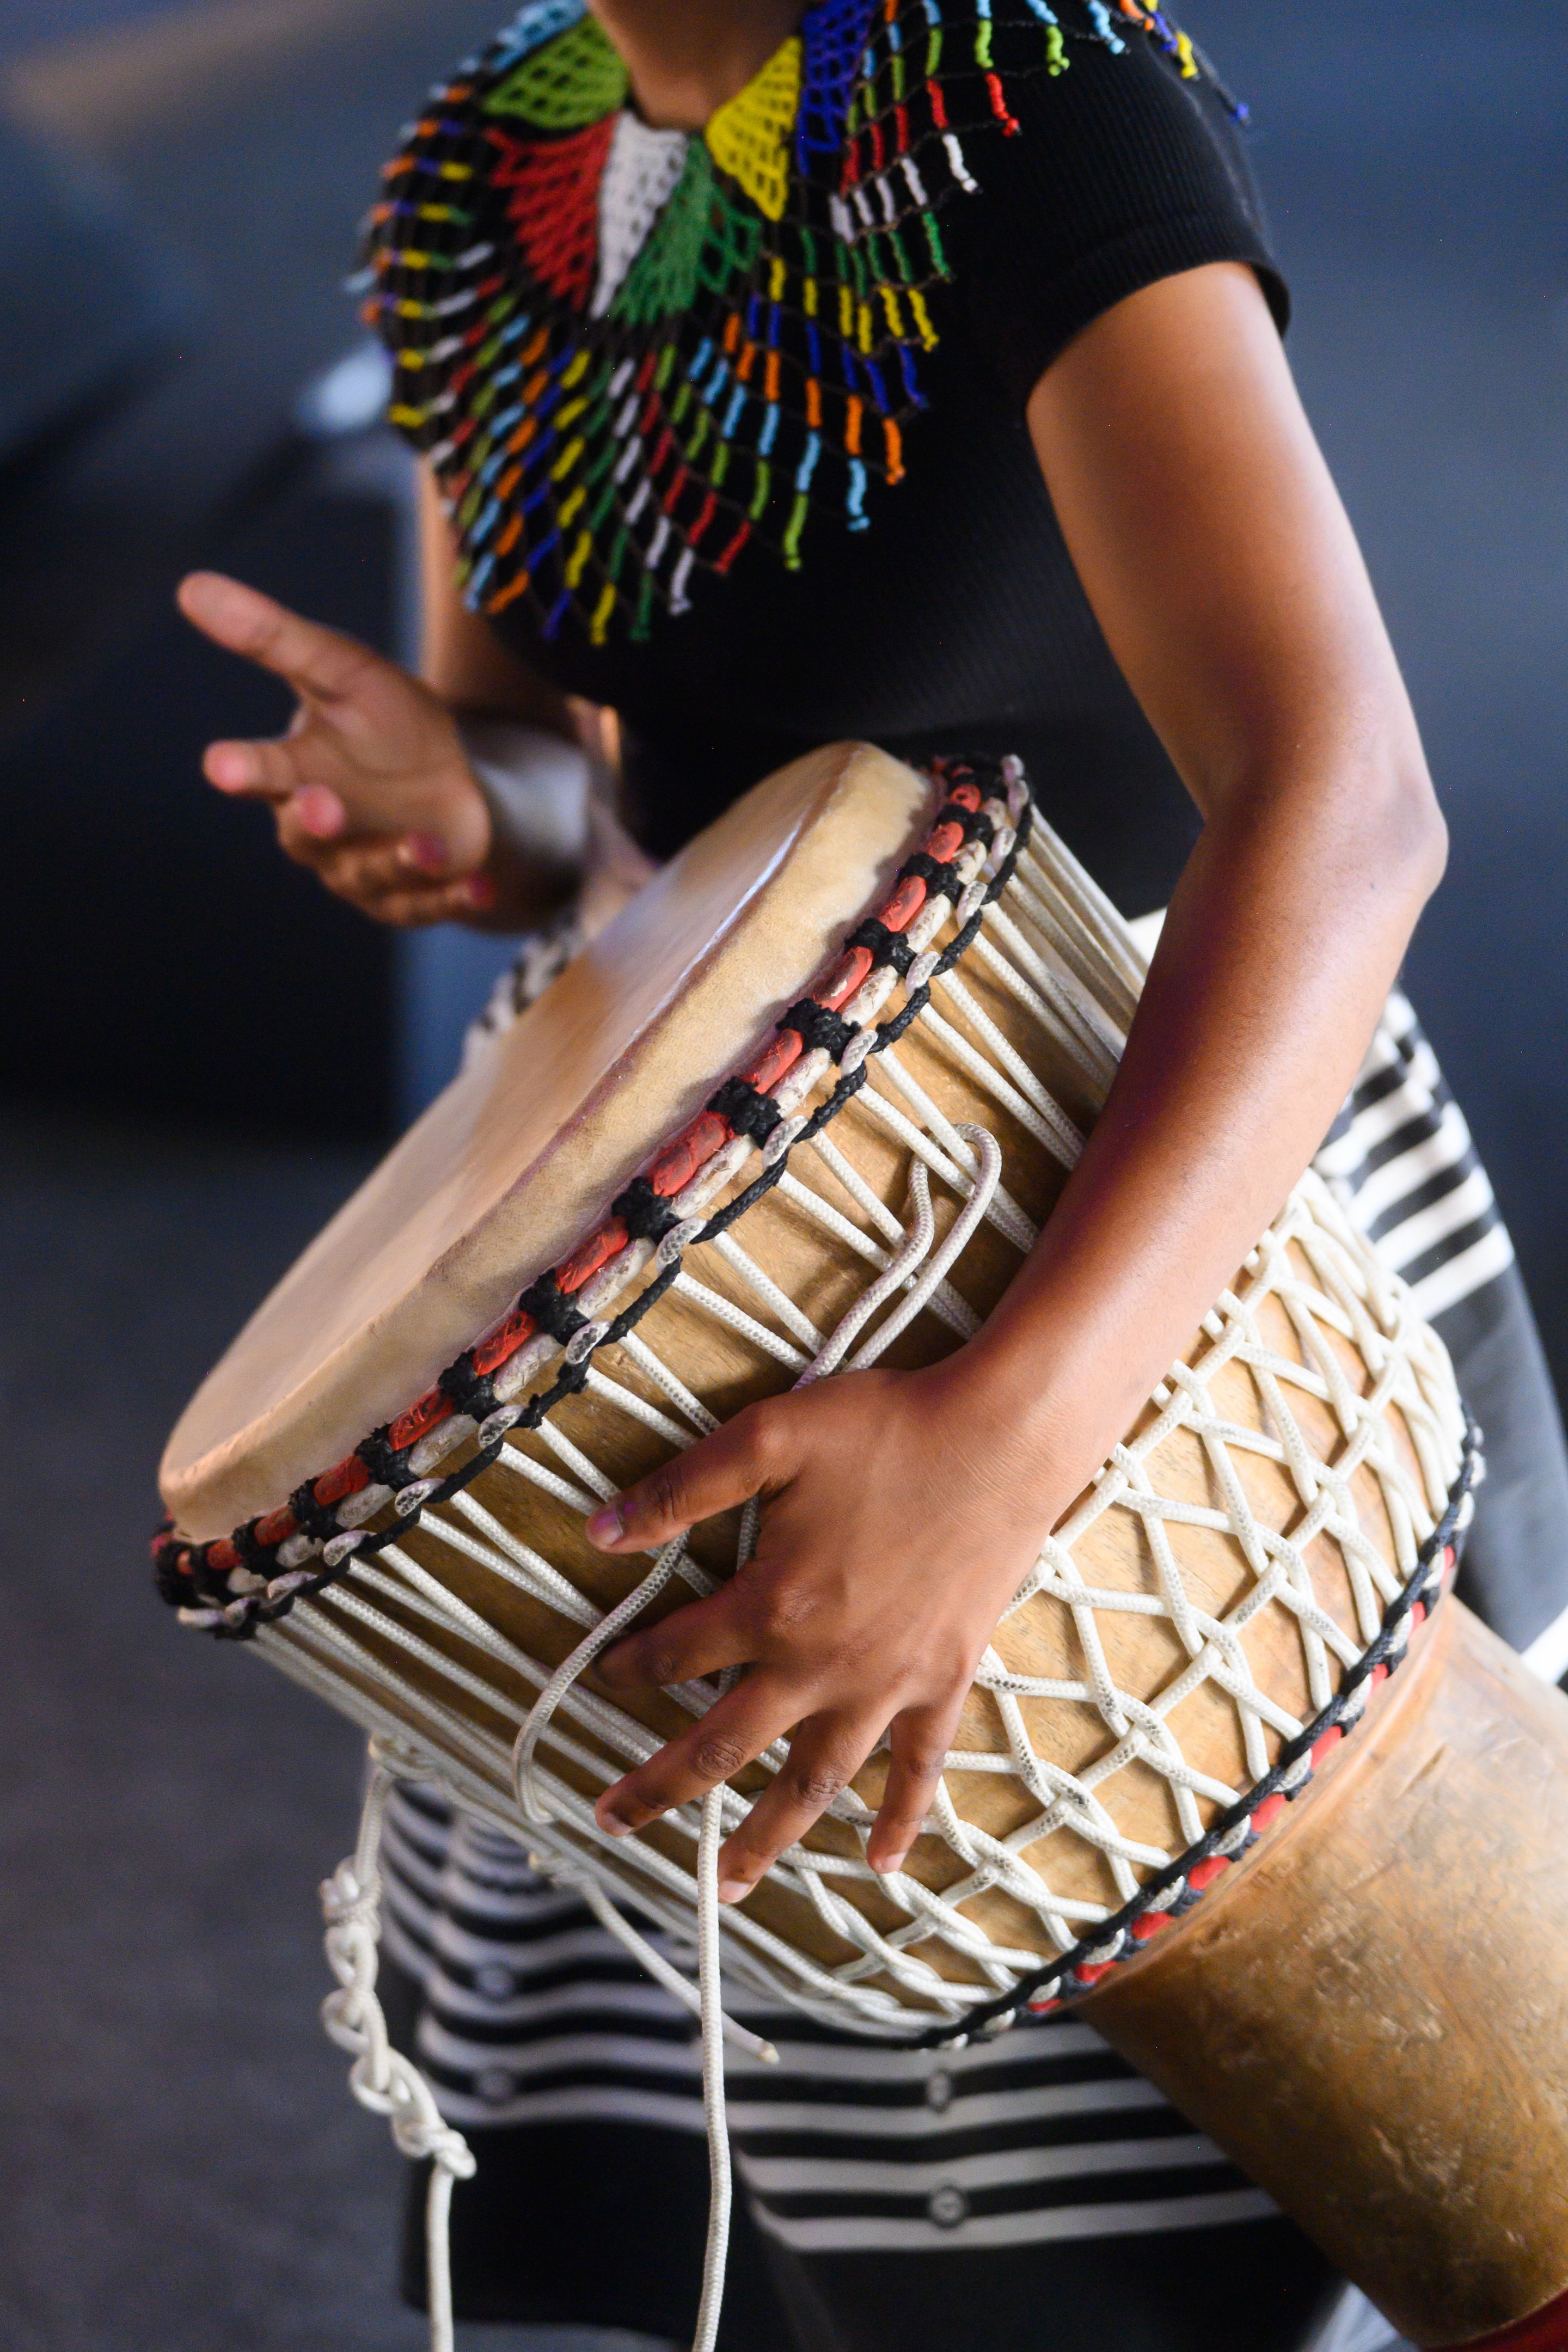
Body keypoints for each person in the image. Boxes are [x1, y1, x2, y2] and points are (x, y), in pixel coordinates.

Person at [175, 4, 1568, 2347]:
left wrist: (1018, 1437)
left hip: (1143, 1170)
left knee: (1329, 2117)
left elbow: (1349, 800)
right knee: (831, 2165)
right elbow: (559, 783)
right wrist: (462, 808)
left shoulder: (1025, 98)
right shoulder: (483, 186)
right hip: (725, 1233)